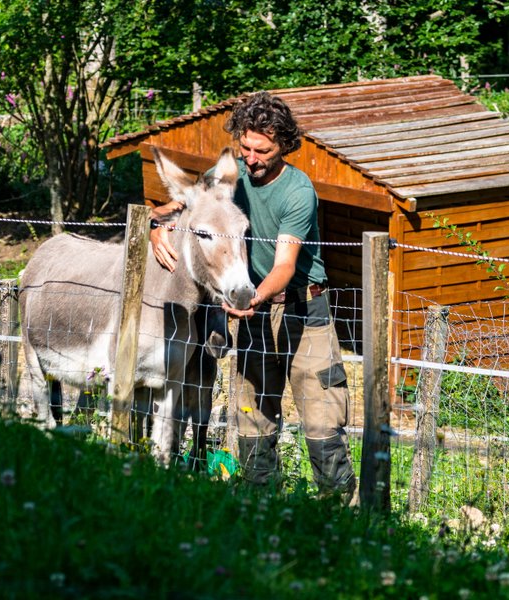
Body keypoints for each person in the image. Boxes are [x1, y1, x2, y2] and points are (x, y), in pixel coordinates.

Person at [150, 91, 356, 500]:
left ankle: (341, 515)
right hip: (252, 315)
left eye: (262, 151)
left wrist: (252, 298)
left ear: (284, 147)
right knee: (252, 418)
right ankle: (259, 509)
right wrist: (158, 227)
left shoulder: (298, 192)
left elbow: (284, 266)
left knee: (321, 421)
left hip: (301, 310)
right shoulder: (229, 177)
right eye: (244, 147)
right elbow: (178, 207)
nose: (250, 158)